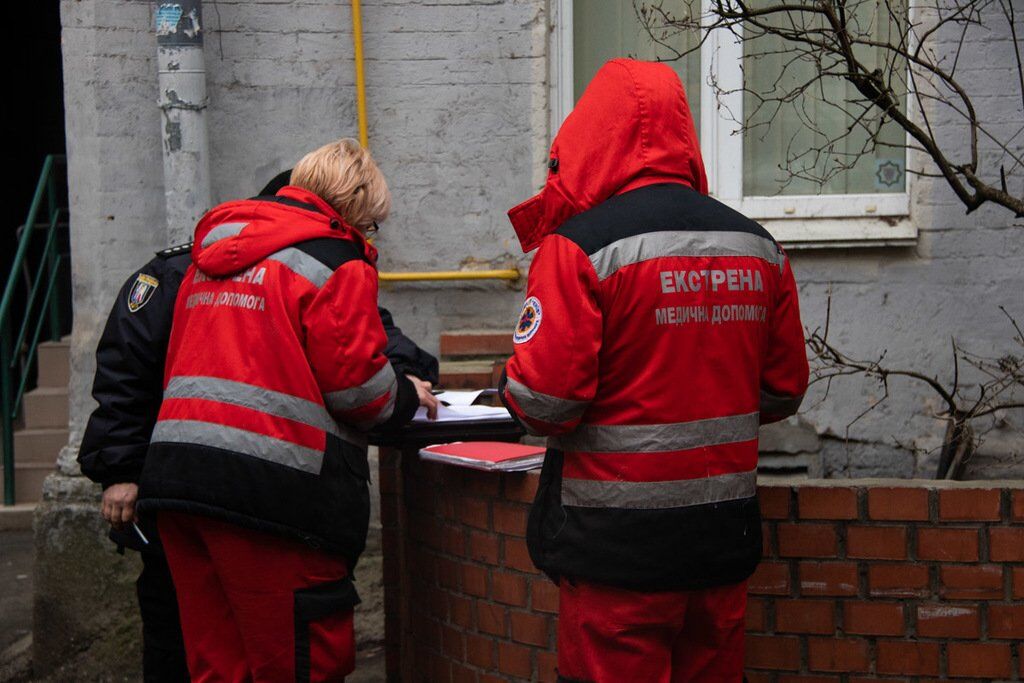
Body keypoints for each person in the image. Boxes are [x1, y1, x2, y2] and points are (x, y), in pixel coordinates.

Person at [499, 59, 809, 682]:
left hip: (617, 556)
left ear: (591, 135)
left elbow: (544, 402)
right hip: (720, 542)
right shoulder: (758, 246)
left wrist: (509, 378)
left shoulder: (581, 247)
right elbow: (782, 389)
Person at [77, 166, 439, 682]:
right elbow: (361, 387)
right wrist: (404, 394)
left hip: (181, 491)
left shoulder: (200, 264)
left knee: (213, 661)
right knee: (291, 657)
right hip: (274, 496)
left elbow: (377, 340)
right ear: (347, 209)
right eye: (371, 223)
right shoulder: (329, 263)